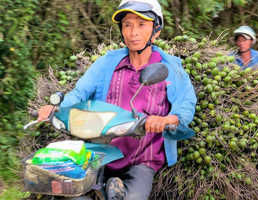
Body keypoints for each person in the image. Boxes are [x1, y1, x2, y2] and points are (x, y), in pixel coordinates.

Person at [38, 0, 197, 199]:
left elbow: (186, 104)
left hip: (142, 159)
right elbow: (80, 92)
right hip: (100, 152)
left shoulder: (170, 68)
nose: (133, 32)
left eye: (141, 24)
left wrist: (166, 120)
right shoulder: (106, 63)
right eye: (127, 25)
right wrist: (56, 109)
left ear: (156, 30)